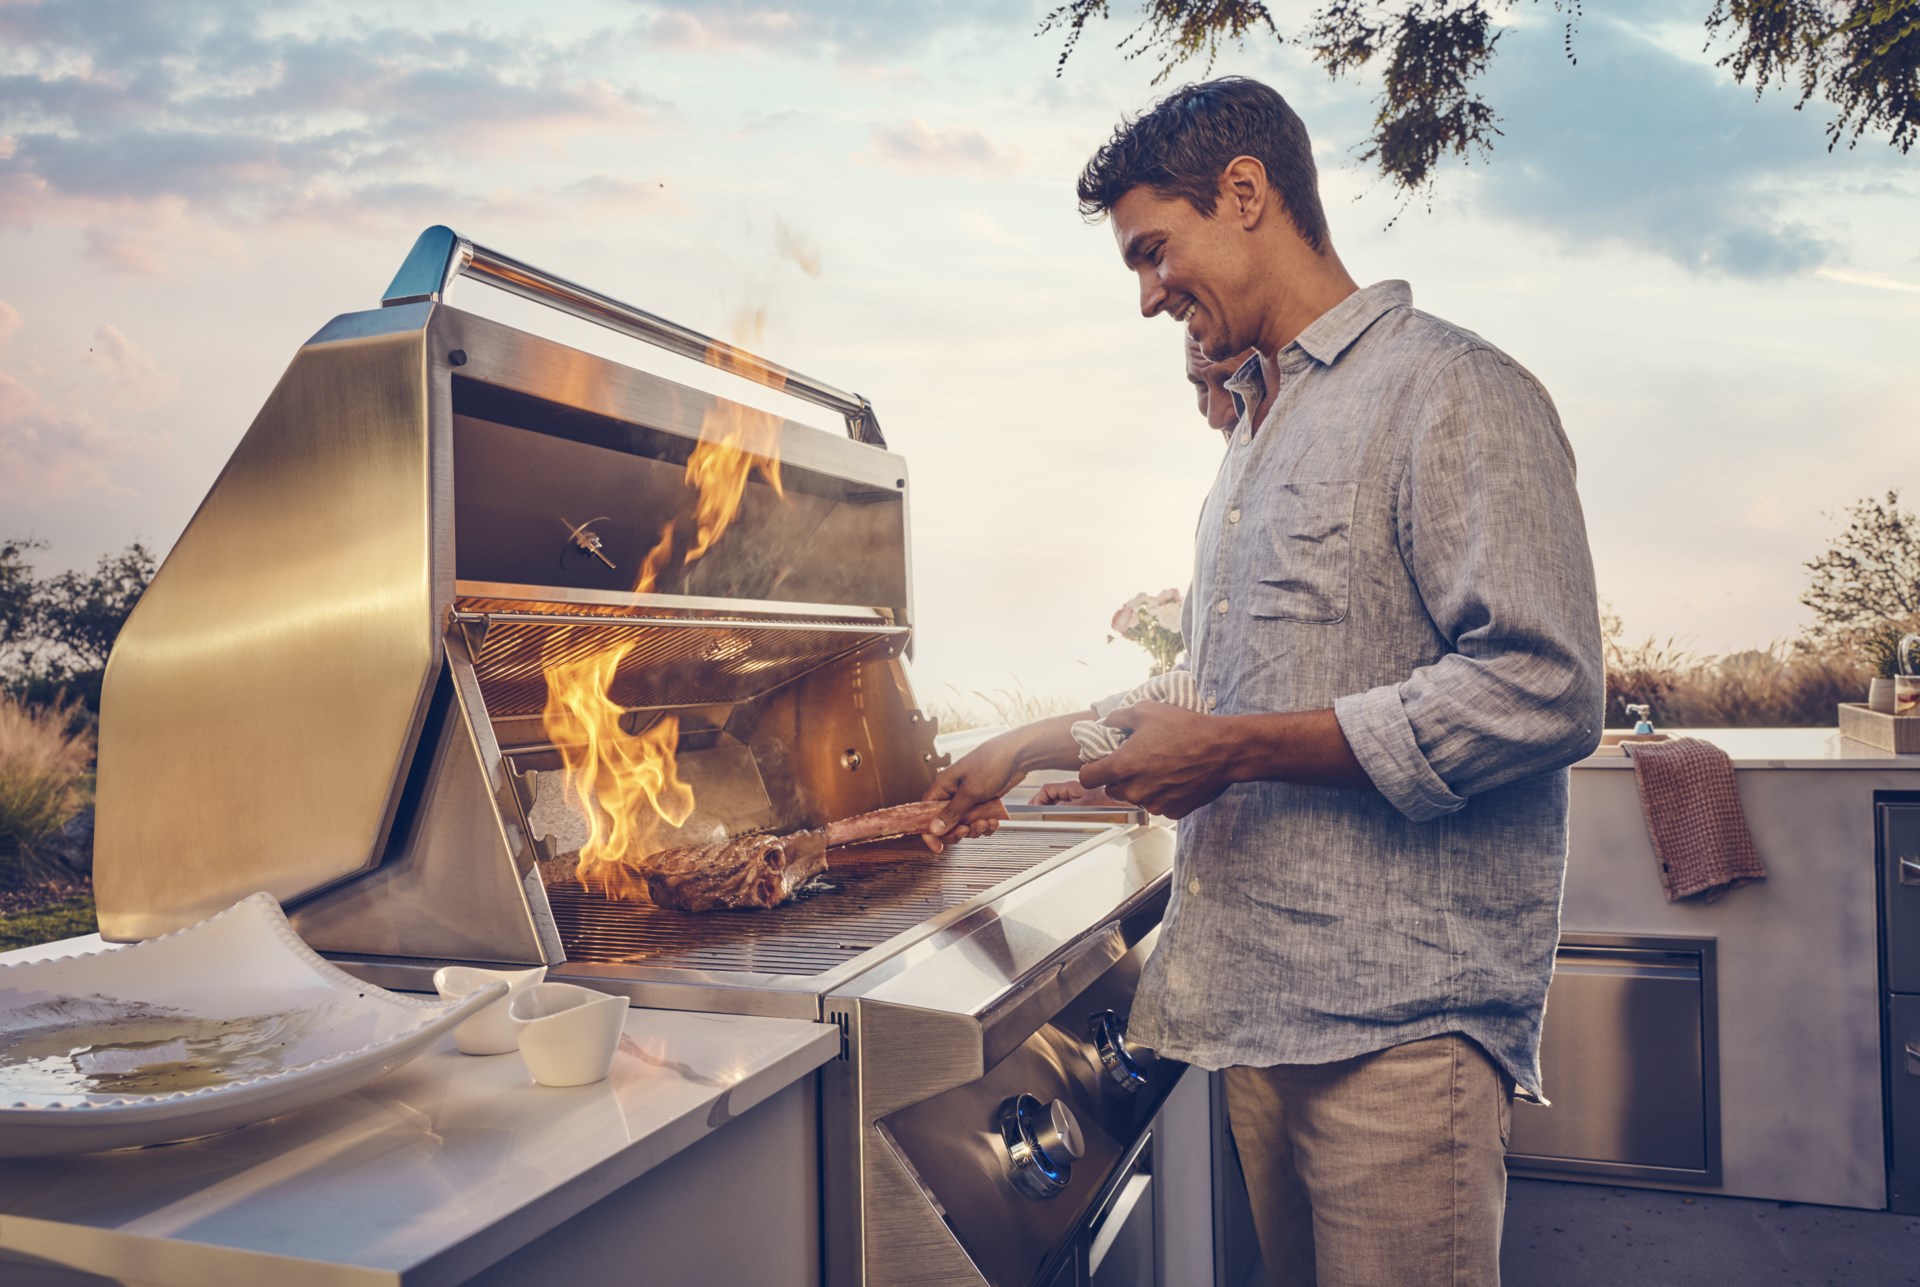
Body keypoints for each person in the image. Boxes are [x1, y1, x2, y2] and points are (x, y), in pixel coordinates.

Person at [925, 76, 1603, 1286]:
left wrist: (1232, 752)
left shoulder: (1449, 390)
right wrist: (1035, 741)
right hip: (1256, 1007)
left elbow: (1542, 688)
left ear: (1245, 194)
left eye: (1154, 251)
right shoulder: (1255, 429)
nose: (1147, 298)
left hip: (1398, 1033)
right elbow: (1224, 697)